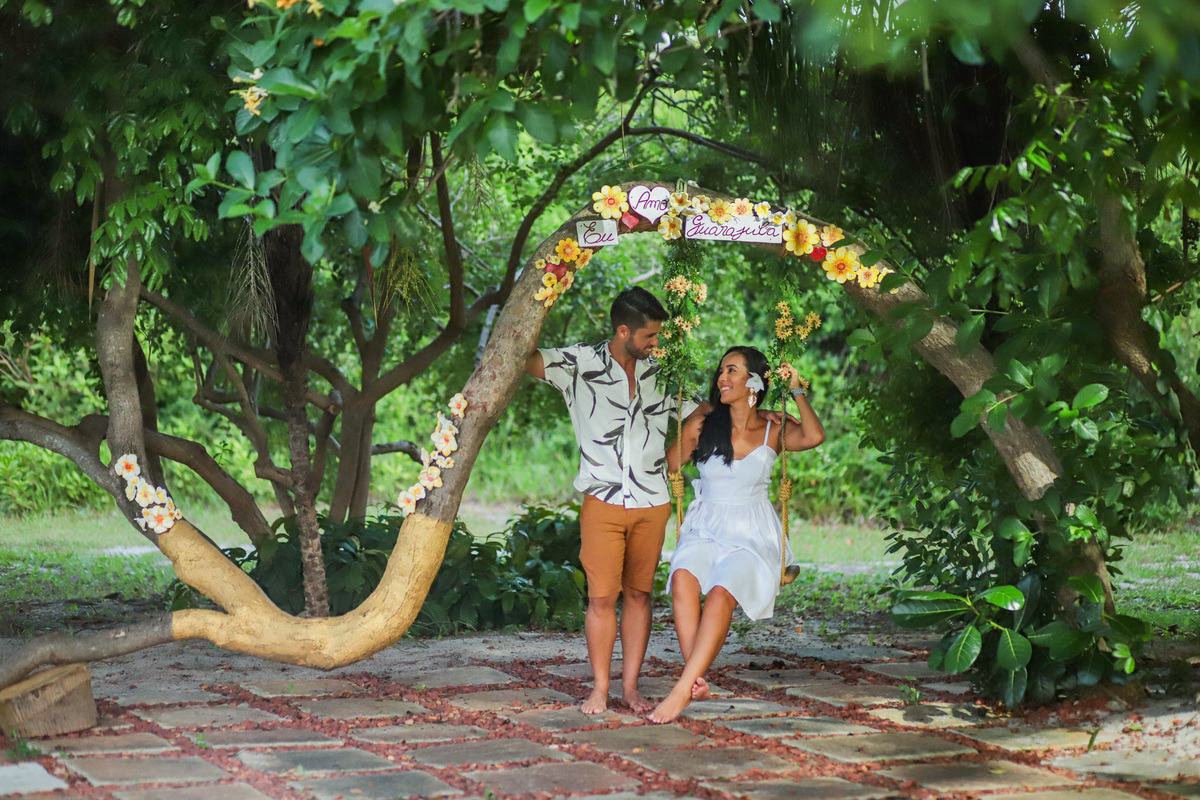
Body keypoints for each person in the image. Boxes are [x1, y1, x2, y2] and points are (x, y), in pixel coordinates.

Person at [525, 287, 683, 714]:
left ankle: (630, 688)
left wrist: (673, 462)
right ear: (623, 330)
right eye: (650, 336)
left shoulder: (666, 370)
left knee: (640, 596)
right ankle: (598, 688)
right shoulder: (577, 362)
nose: (657, 344)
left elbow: (697, 418)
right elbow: (520, 355)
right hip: (603, 500)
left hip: (653, 500)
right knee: (600, 599)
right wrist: (539, 296)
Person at [648, 346, 825, 724]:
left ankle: (683, 688)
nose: (721, 378)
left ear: (755, 383)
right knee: (681, 580)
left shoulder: (774, 429)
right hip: (705, 526)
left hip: (751, 533)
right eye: (721, 371)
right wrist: (693, 423)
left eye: (732, 371)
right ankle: (695, 679)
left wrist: (795, 390)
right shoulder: (707, 421)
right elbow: (671, 463)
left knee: (721, 592)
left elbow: (813, 437)